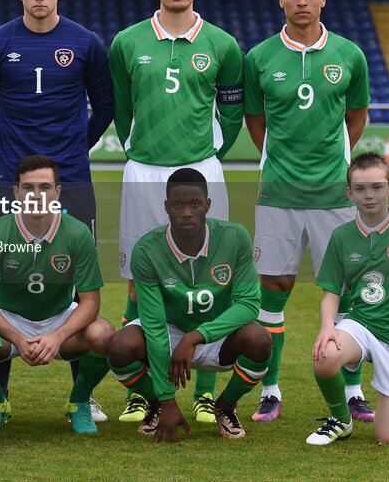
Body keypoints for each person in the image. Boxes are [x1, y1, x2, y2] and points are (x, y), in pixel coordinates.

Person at [0, 0, 115, 424]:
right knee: (2, 277)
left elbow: (105, 106)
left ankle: (81, 396)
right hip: (7, 177)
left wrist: (74, 145)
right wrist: (15, 155)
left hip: (71, 176)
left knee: (74, 280)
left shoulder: (85, 42)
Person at [109, 0, 245, 424]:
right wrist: (136, 148)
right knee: (136, 280)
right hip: (143, 172)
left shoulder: (224, 45)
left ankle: (206, 393)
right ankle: (144, 393)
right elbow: (121, 108)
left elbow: (231, 113)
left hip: (201, 172)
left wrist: (208, 157)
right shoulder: (126, 41)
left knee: (213, 277)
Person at [243, 0, 372, 423]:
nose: (301, 1)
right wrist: (282, 162)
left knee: (347, 294)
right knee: (273, 292)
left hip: (335, 198)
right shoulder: (258, 57)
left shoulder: (349, 54)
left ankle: (353, 391)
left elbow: (356, 117)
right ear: (282, 0)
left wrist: (330, 163)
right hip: (278, 194)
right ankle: (270, 390)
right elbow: (256, 124)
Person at [107, 168, 271, 443]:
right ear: (166, 207)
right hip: (169, 331)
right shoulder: (147, 250)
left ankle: (226, 405)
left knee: (259, 339)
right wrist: (168, 399)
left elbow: (249, 304)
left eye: (194, 204)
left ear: (207, 205)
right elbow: (155, 325)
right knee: (118, 346)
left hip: (217, 333)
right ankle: (156, 405)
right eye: (177, 205)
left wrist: (196, 336)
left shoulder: (235, 237)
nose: (186, 212)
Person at [0, 155, 115, 434]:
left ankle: (79, 401)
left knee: (105, 335)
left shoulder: (77, 232)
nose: (36, 195)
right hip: (8, 321)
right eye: (28, 188)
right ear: (16, 192)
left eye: (45, 187)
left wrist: (57, 336)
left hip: (58, 318)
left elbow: (91, 303)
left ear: (57, 192)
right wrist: (17, 337)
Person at [307, 153, 389, 444]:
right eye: (360, 189)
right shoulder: (341, 235)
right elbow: (331, 293)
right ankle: (341, 420)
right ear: (349, 193)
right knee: (325, 355)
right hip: (359, 324)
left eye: (377, 187)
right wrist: (328, 326)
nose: (369, 195)